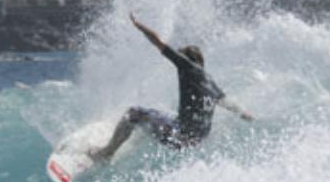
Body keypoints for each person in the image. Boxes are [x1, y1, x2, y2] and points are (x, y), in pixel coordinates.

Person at [88, 13, 254, 162]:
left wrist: (138, 25)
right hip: (196, 140)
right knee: (162, 113)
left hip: (180, 137)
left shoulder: (187, 66)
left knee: (133, 113)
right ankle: (133, 135)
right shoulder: (210, 81)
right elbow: (233, 107)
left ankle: (107, 152)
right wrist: (248, 116)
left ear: (187, 59)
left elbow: (158, 42)